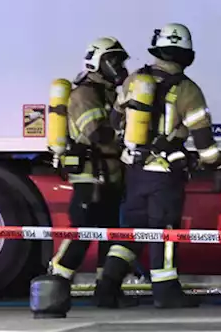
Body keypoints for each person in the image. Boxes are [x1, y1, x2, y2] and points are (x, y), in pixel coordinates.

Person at [95, 23, 221, 309]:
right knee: (164, 232)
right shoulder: (188, 90)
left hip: (134, 170)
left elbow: (116, 122)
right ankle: (166, 293)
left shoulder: (134, 81)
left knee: (131, 232)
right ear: (186, 55)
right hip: (164, 175)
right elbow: (203, 138)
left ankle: (106, 289)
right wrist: (216, 163)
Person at [40, 37, 137, 309]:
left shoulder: (106, 92)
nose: (119, 66)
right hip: (90, 176)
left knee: (111, 233)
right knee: (83, 232)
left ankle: (106, 291)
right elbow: (97, 133)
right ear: (96, 62)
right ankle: (55, 284)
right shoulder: (84, 94)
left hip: (109, 174)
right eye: (113, 60)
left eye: (120, 60)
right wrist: (124, 131)